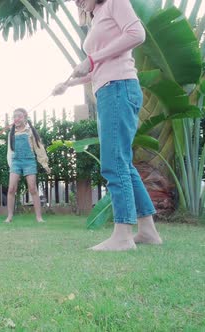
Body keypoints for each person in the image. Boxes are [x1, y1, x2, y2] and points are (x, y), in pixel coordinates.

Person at [53, 0, 162, 251]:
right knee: (123, 164)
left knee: (114, 163)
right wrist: (68, 84)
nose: (77, 0)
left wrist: (92, 58)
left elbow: (136, 34)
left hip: (118, 88)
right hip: (109, 89)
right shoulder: (98, 15)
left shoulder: (114, 2)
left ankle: (123, 237)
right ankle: (147, 231)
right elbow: (99, 66)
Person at [5, 108, 50, 224]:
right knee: (11, 189)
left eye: (19, 116)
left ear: (25, 117)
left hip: (29, 162)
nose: (16, 119)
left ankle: (39, 217)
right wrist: (11, 165)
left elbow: (39, 148)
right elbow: (10, 151)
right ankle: (9, 217)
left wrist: (44, 164)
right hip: (16, 162)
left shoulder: (30, 132)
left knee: (33, 188)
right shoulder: (11, 132)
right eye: (14, 116)